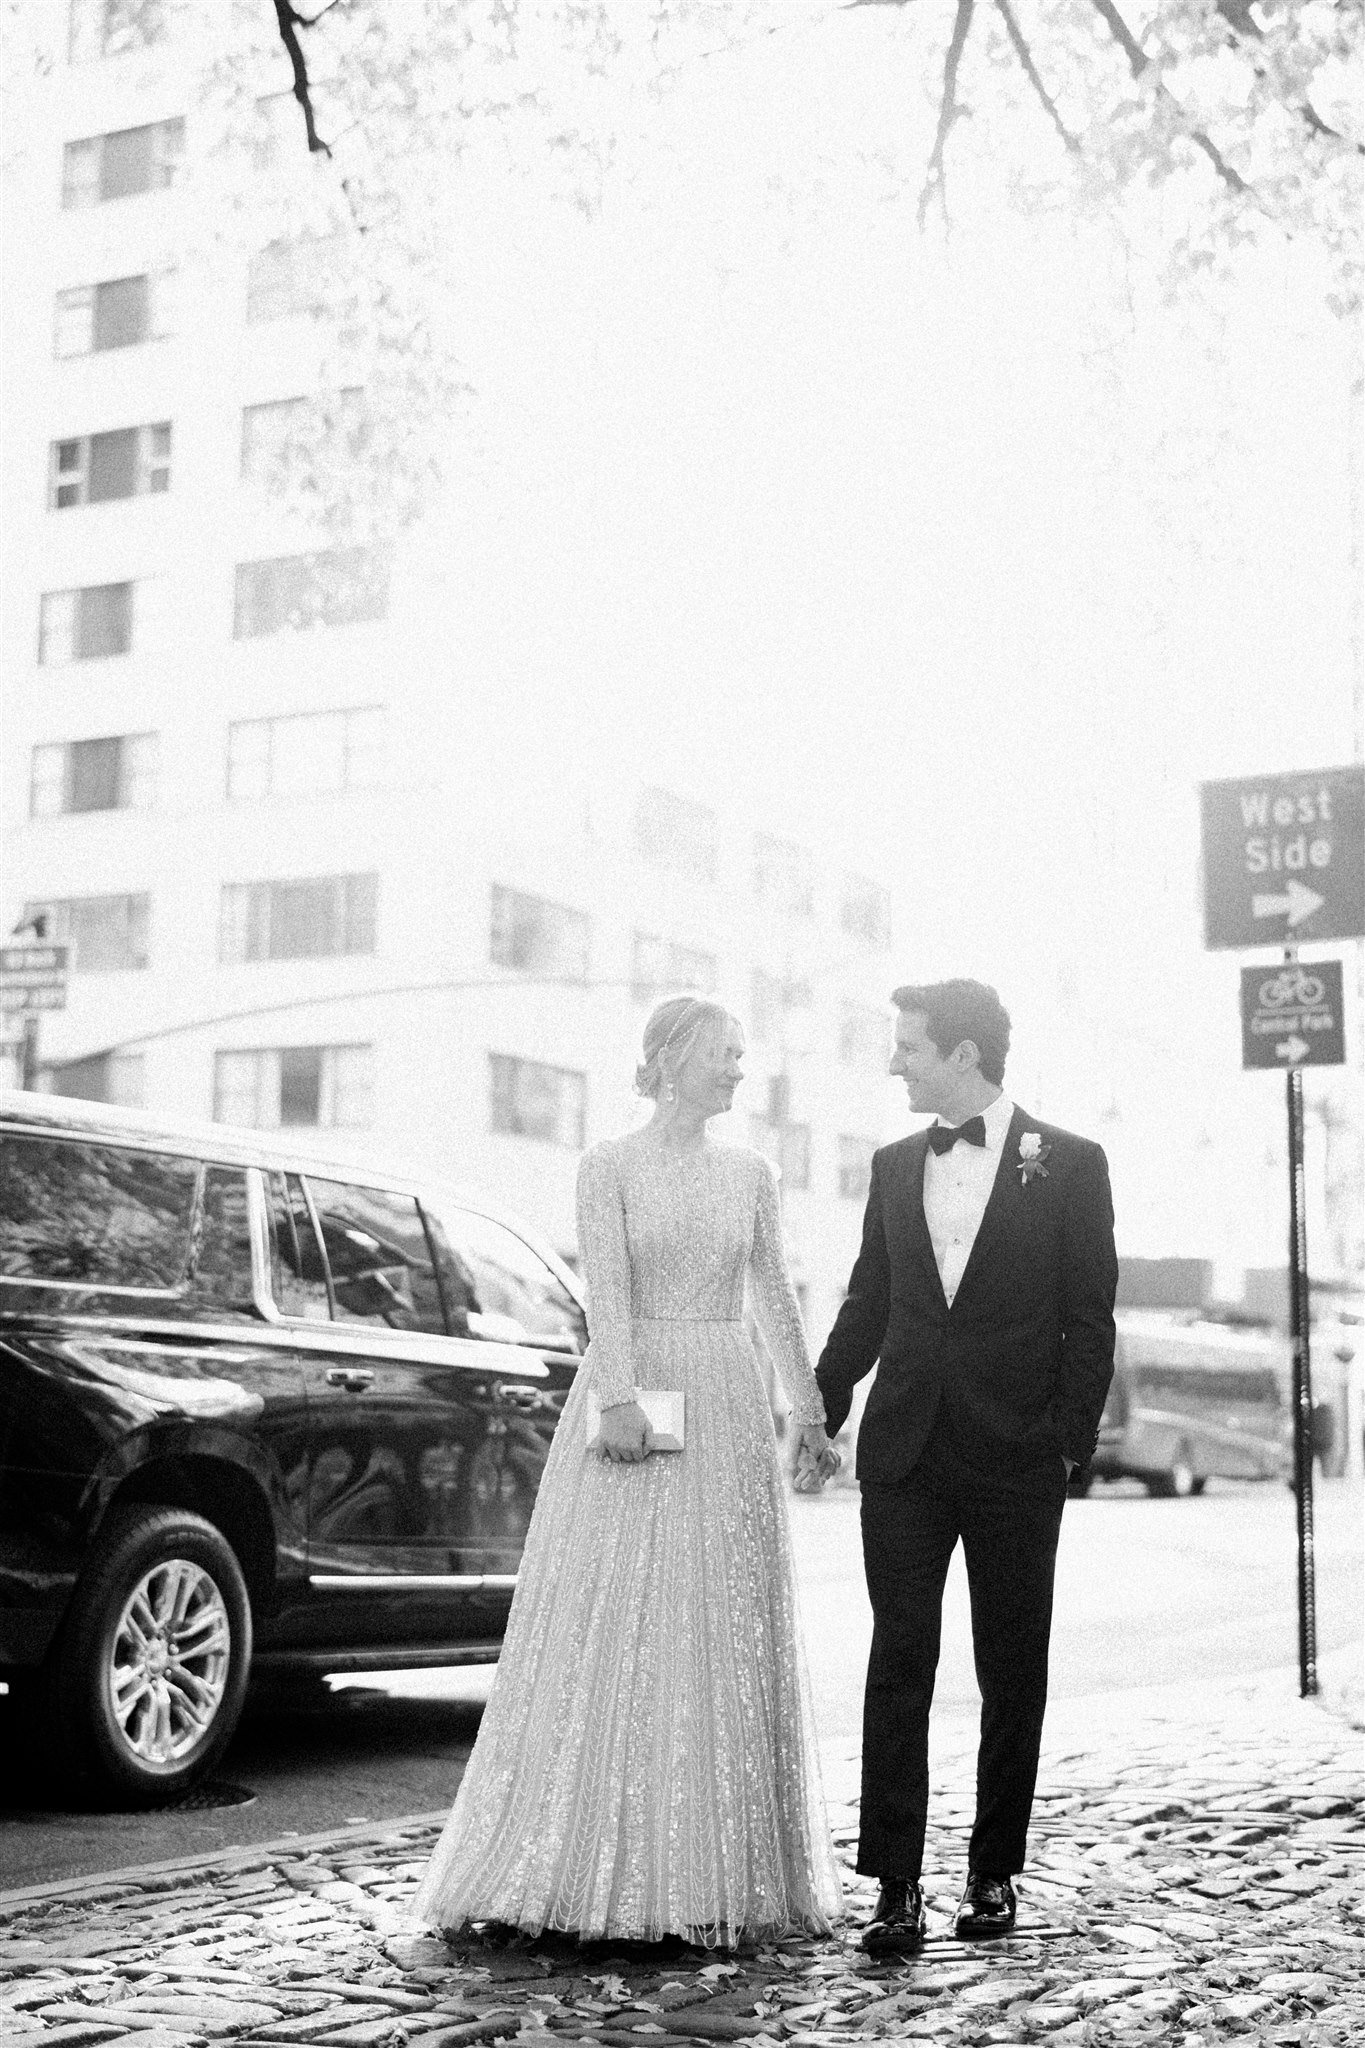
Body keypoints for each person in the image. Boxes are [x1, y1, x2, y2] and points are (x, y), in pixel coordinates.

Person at [413, 995, 843, 1949]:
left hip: (726, 1403)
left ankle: (708, 1870)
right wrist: (615, 1398)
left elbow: (772, 1295)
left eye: (740, 1053)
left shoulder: (752, 1172)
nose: (737, 1068)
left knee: (714, 1619)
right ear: (671, 1057)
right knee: (618, 1615)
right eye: (723, 1052)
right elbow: (604, 1293)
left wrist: (809, 1414)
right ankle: (581, 1867)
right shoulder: (607, 1164)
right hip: (635, 1389)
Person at [814, 979, 1116, 1955]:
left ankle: (992, 1871)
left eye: (907, 1046)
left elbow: (1089, 1318)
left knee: (1010, 1667)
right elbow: (868, 1301)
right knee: (898, 1661)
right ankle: (893, 1883)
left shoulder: (1070, 1162)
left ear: (964, 1053)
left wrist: (1065, 1441)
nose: (893, 1062)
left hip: (1016, 1456)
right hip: (904, 1451)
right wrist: (820, 1402)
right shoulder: (894, 1164)